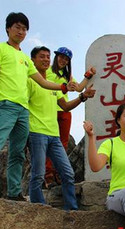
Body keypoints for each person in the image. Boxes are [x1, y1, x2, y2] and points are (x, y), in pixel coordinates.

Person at [0, 12, 76, 200]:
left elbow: (42, 82)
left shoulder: (26, 59)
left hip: (23, 110)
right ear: (8, 28)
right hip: (5, 105)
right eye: (17, 27)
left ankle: (14, 192)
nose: (21, 31)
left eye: (24, 29)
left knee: (18, 153)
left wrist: (63, 86)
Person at [27, 46, 96, 209]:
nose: (46, 60)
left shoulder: (57, 82)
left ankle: (71, 210)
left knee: (68, 172)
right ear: (33, 61)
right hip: (37, 131)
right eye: (41, 57)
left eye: (47, 57)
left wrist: (83, 94)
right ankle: (39, 208)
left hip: (53, 131)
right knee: (37, 175)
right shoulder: (31, 81)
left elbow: (66, 103)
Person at [44, 47, 96, 187]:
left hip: (65, 111)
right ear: (56, 57)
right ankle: (48, 176)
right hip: (50, 110)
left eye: (66, 59)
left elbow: (78, 88)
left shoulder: (66, 74)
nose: (63, 61)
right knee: (50, 144)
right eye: (61, 57)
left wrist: (88, 76)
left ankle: (57, 173)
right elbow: (52, 88)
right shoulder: (47, 71)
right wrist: (66, 87)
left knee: (63, 144)